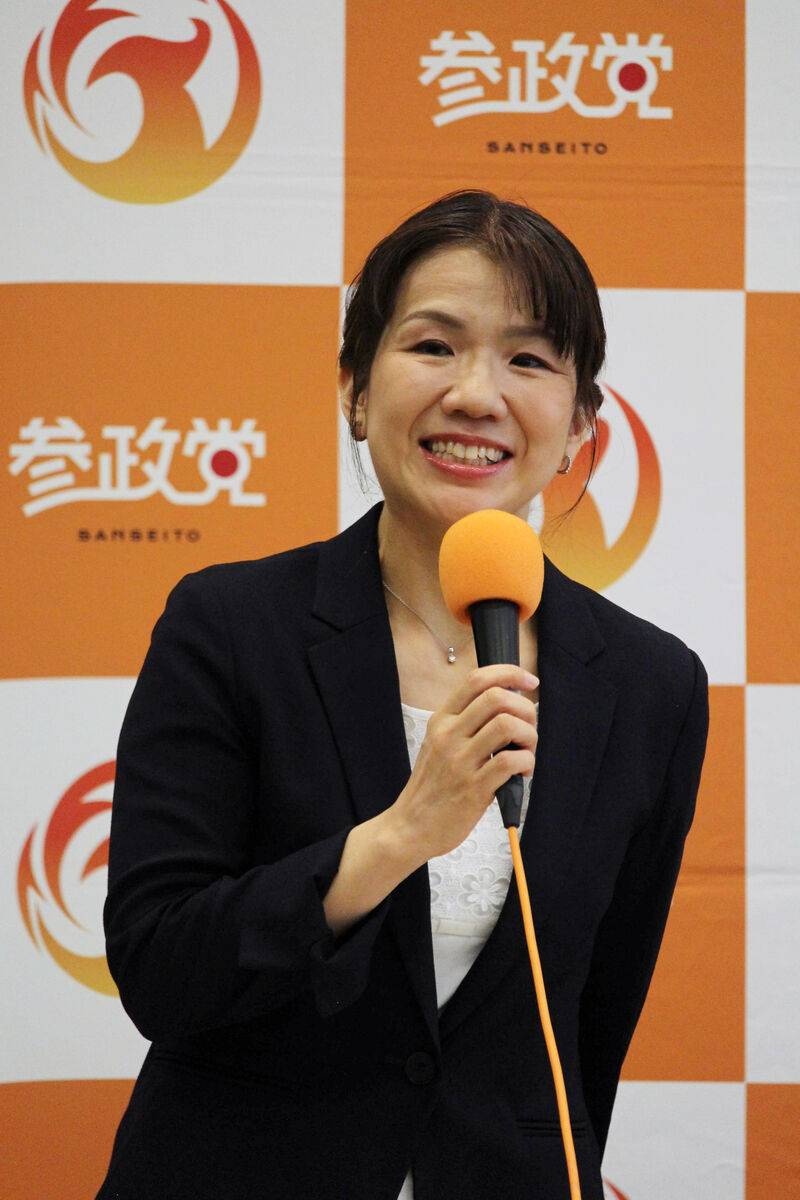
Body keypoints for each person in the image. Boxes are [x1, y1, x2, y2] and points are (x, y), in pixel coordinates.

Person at [96, 190, 708, 1200]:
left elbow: (588, 1023)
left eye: (527, 360)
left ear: (578, 428)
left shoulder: (649, 684)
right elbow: (162, 969)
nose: (476, 395)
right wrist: (401, 834)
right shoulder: (231, 626)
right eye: (433, 346)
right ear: (353, 387)